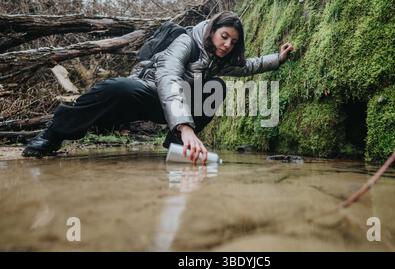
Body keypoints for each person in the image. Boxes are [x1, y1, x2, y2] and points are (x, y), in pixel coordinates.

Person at [22, 11, 294, 164]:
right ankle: (54, 133)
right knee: (118, 87)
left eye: (233, 42)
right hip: (150, 92)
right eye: (224, 37)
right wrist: (185, 126)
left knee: (216, 86)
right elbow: (169, 77)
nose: (227, 45)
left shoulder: (220, 60)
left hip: (178, 110)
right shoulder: (187, 42)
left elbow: (249, 66)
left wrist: (278, 59)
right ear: (212, 31)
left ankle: (176, 144)